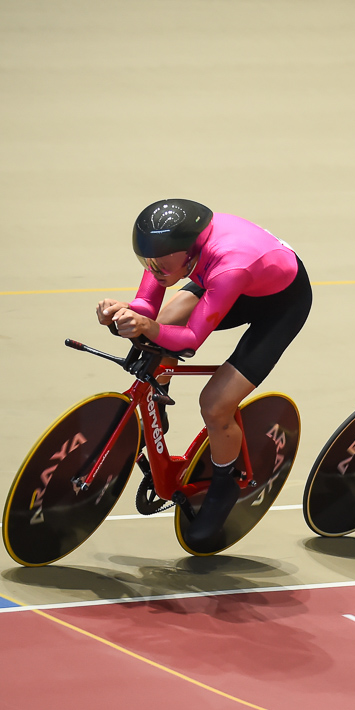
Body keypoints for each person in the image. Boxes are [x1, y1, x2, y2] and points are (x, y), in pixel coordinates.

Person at [96, 199, 312, 543]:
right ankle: (158, 400)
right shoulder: (167, 250)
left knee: (215, 403)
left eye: (159, 262)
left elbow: (189, 341)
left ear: (188, 252)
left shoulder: (228, 266)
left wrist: (146, 328)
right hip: (225, 277)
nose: (153, 267)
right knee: (161, 324)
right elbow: (147, 306)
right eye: (146, 260)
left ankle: (224, 484)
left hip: (278, 304)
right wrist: (127, 313)